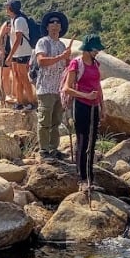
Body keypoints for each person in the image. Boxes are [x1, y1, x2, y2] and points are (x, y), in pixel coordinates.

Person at [64, 34, 105, 191]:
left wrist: (103, 106)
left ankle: (90, 178)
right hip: (81, 105)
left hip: (94, 106)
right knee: (82, 141)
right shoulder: (76, 63)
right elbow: (67, 88)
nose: (97, 52)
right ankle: (82, 179)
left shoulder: (96, 64)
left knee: (92, 142)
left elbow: (98, 86)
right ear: (87, 49)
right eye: (95, 49)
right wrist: (86, 95)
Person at [34, 11, 72, 162]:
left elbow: (65, 67)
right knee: (44, 122)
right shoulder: (43, 42)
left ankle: (54, 149)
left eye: (58, 22)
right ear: (47, 26)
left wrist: (68, 60)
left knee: (56, 122)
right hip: (45, 88)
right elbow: (41, 61)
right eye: (52, 22)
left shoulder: (62, 45)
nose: (55, 24)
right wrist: (61, 57)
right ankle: (44, 151)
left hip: (58, 89)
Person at [3, 0, 37, 110]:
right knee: (17, 76)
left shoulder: (19, 20)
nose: (5, 8)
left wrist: (10, 55)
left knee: (23, 77)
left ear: (11, 8)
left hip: (23, 52)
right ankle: (20, 101)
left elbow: (18, 40)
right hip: (18, 53)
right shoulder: (14, 20)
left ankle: (32, 102)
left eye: (7, 6)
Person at [0, 21, 14, 104]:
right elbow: (0, 36)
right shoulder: (7, 23)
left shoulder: (20, 22)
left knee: (17, 75)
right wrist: (0, 48)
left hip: (17, 51)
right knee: (5, 75)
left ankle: (16, 94)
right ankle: (7, 94)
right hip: (6, 49)